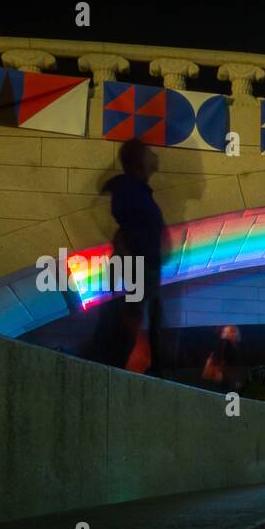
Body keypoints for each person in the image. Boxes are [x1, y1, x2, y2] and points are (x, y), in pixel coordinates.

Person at [95, 139, 169, 376]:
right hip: (139, 267)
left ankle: (133, 367)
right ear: (138, 160)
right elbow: (125, 225)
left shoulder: (138, 191)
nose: (155, 156)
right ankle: (112, 367)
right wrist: (130, 258)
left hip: (144, 267)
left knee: (140, 317)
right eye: (150, 152)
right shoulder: (129, 189)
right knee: (130, 319)